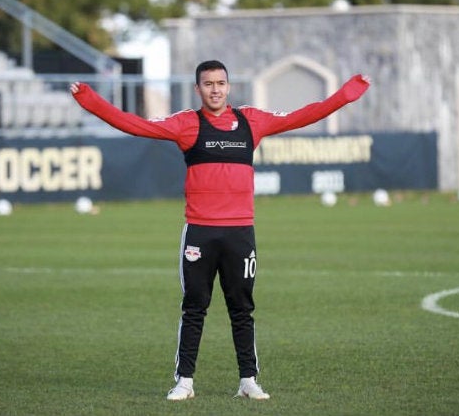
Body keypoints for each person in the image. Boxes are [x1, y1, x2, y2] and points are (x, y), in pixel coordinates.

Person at [70, 60, 370, 401]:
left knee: (242, 309)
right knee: (194, 307)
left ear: (228, 87)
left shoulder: (251, 121)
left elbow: (303, 115)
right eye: (208, 84)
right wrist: (90, 100)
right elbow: (135, 125)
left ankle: (248, 380)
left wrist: (345, 95)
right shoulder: (186, 124)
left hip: (241, 233)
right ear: (198, 89)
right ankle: (184, 381)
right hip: (199, 232)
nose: (215, 89)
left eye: (221, 83)